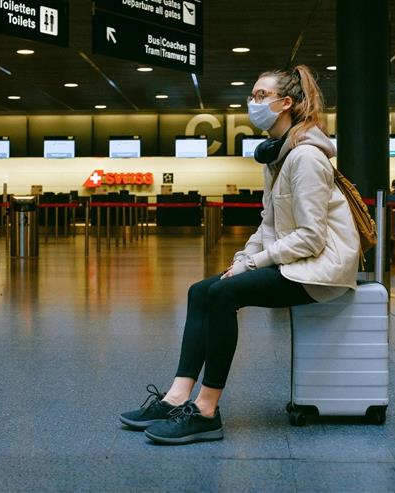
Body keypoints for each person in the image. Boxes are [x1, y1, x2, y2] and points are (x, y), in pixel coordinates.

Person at [120, 65, 360, 445]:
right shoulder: (278, 157)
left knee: (223, 294)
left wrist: (255, 263)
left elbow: (312, 238)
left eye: (261, 96)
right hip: (294, 262)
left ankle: (205, 411)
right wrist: (243, 258)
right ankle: (176, 396)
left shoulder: (306, 158)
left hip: (319, 271)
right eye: (252, 95)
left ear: (286, 104)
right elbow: (269, 223)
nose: (252, 102)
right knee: (201, 290)